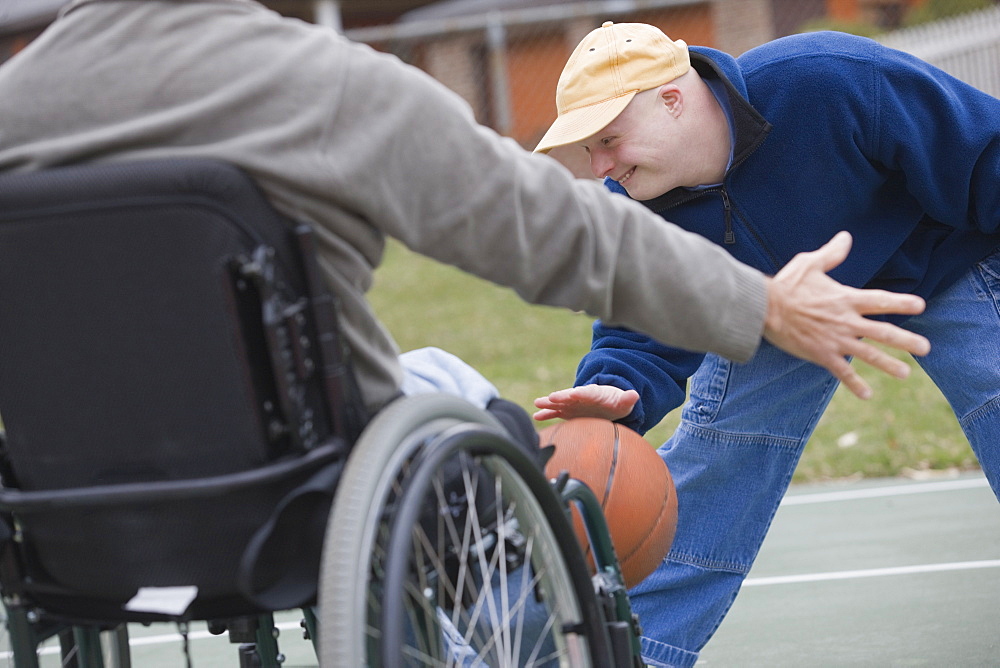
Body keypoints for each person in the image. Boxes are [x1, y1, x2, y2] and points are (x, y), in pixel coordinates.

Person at [532, 20, 1000, 667]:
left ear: (671, 97)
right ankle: (637, 655)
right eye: (590, 151)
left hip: (935, 263)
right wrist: (618, 384)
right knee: (717, 463)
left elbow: (981, 153)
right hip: (779, 313)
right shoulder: (633, 203)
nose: (602, 166)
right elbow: (639, 320)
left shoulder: (827, 81)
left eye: (609, 139)